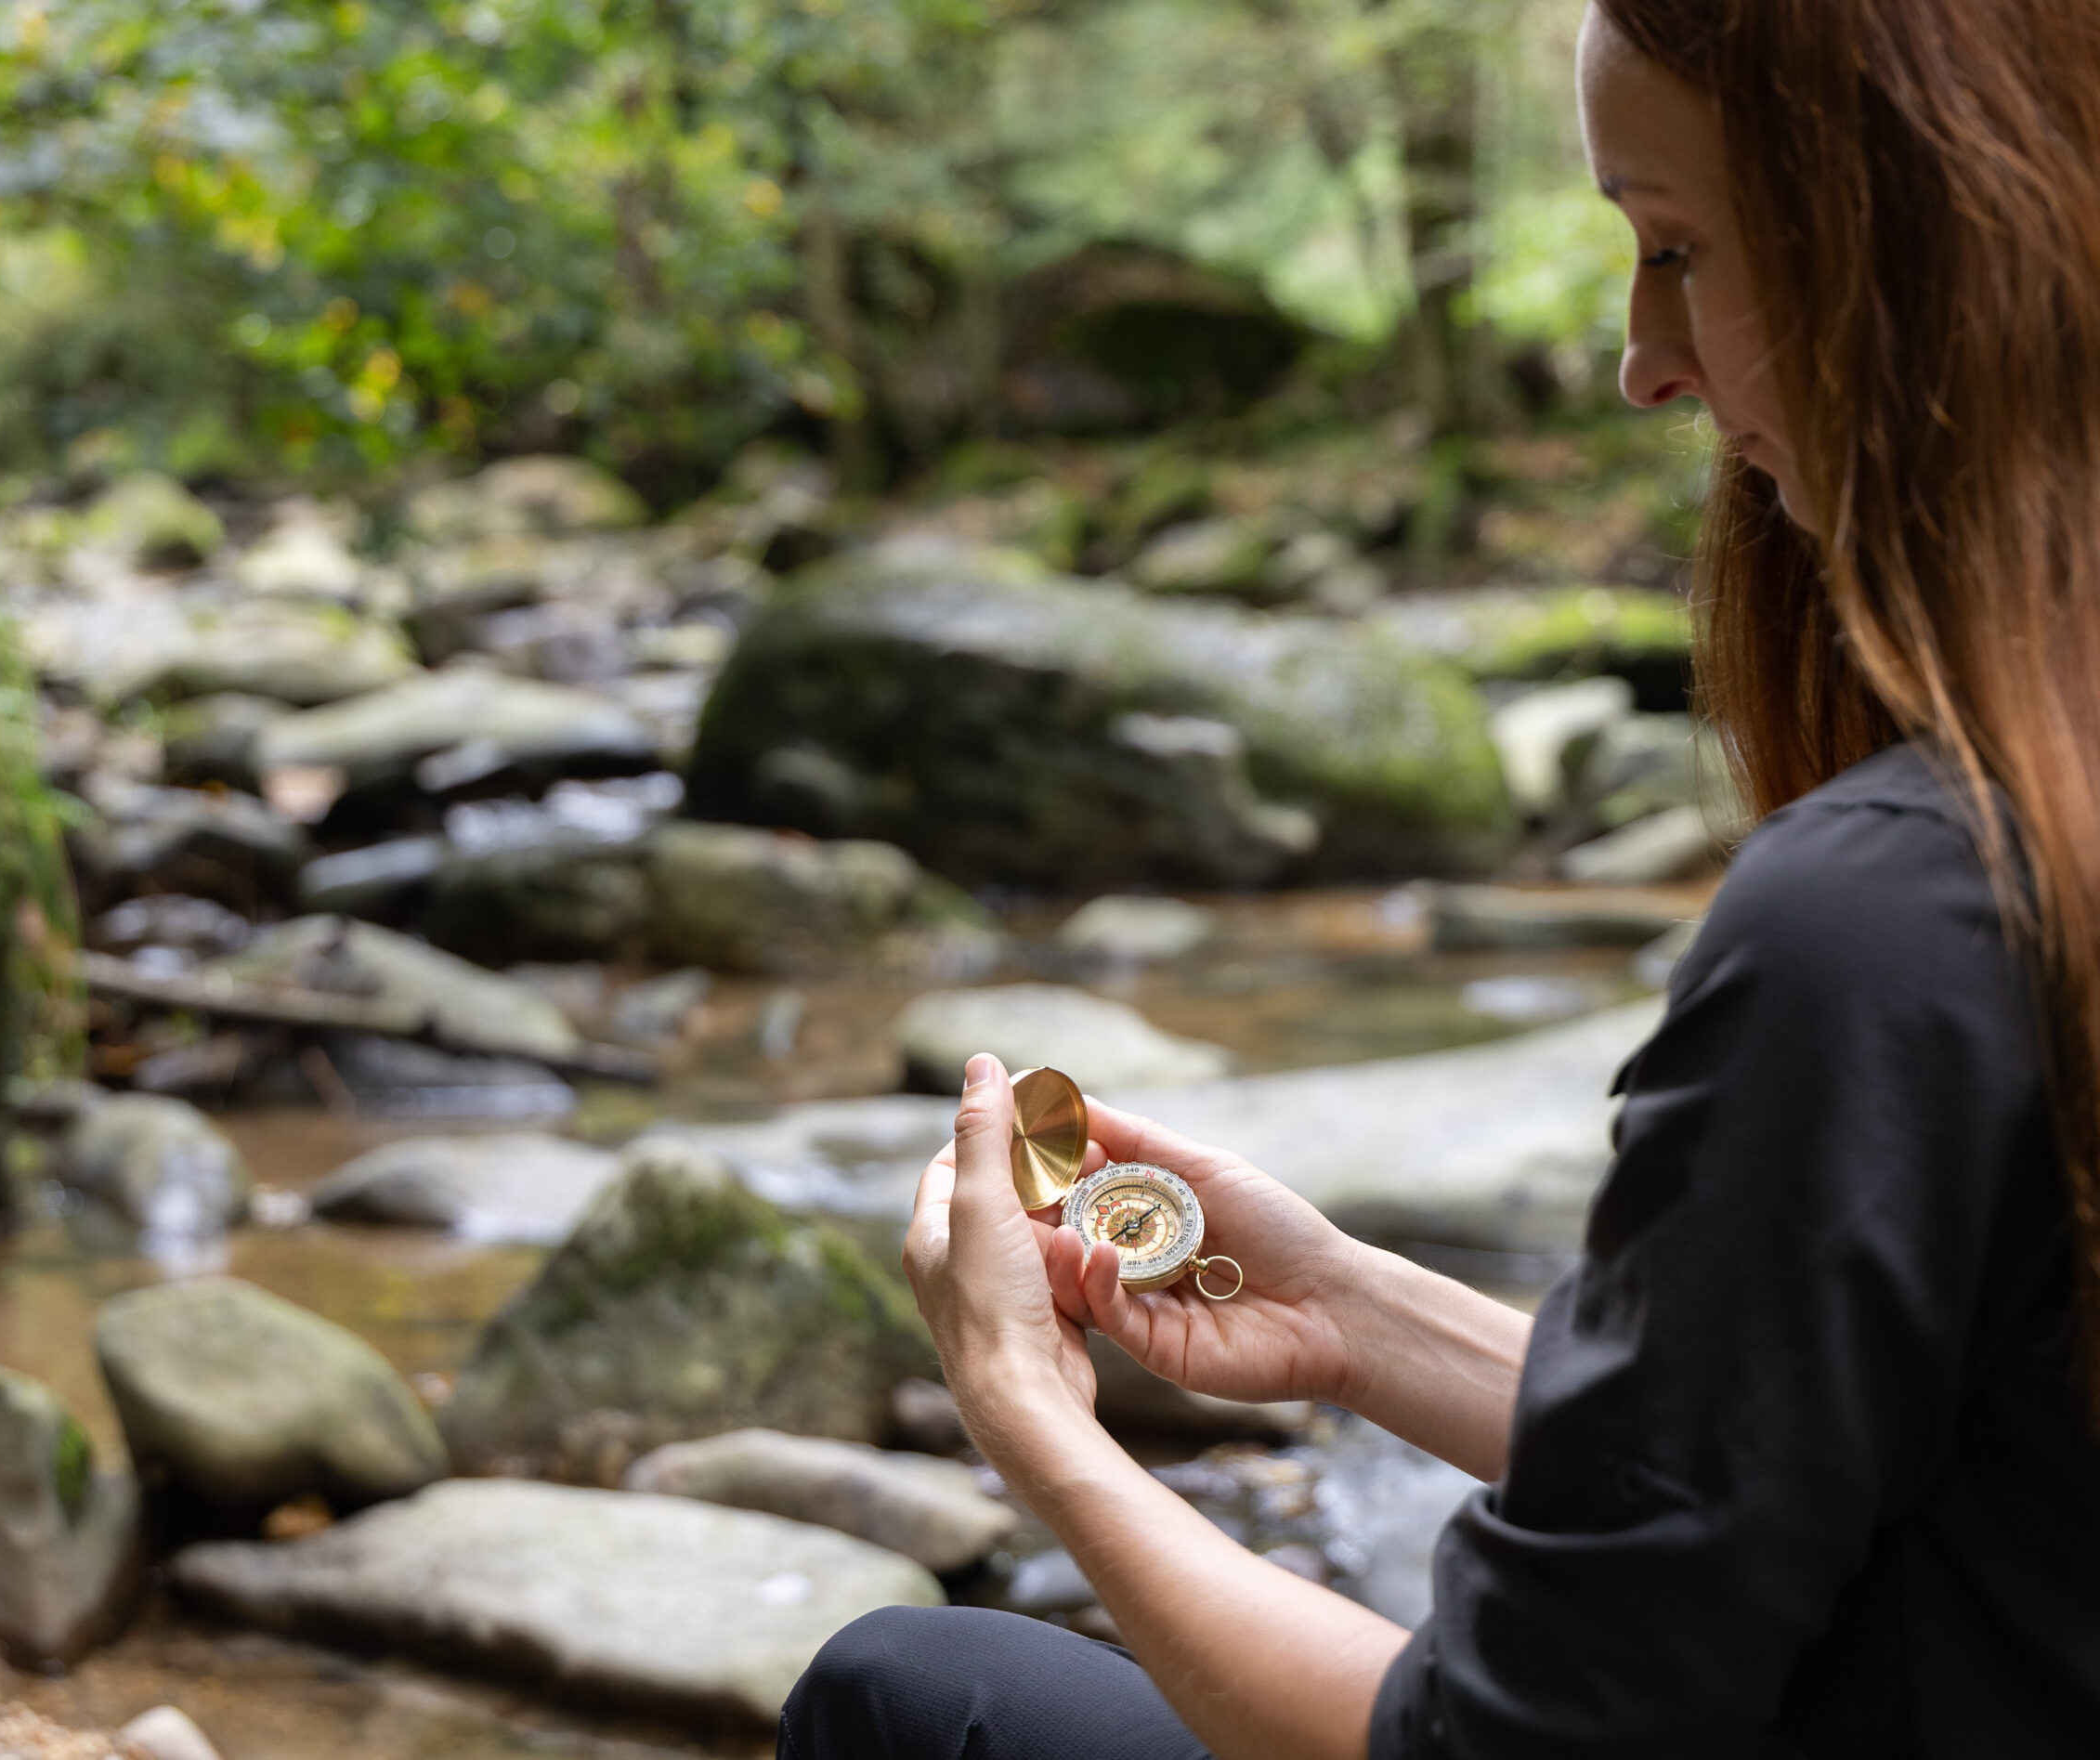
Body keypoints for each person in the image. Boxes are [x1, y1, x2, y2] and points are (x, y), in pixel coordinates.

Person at [777, 1, 2100, 1754]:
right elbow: (1844, 1463)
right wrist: (1351, 1316)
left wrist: (1043, 1432)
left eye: (1681, 247)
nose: (1645, 359)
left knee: (916, 1695)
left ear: (1929, 243)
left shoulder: (1897, 922)